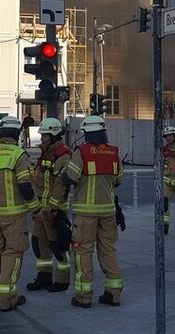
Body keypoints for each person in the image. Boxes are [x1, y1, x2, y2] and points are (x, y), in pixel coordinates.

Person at [0, 116, 39, 312]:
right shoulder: (19, 155)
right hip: (14, 217)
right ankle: (7, 300)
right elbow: (26, 189)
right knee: (12, 254)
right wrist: (36, 210)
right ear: (17, 134)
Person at [63, 115, 123, 308]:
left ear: (86, 133)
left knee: (83, 252)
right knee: (108, 250)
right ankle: (113, 294)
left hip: (85, 214)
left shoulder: (82, 152)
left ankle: (83, 296)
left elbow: (70, 177)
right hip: (108, 212)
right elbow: (118, 181)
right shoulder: (114, 153)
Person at [25, 117, 72, 293]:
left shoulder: (63, 154)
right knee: (39, 244)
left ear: (53, 135)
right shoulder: (46, 152)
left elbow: (61, 185)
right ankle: (43, 277)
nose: (42, 138)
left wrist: (53, 208)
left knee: (58, 246)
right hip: (41, 211)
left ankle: (62, 281)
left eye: (44, 135)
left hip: (54, 212)